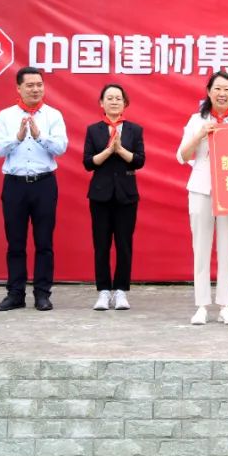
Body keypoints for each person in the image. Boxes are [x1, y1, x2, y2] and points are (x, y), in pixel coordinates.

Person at [177, 70, 228, 325]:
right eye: (217, 89)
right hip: (201, 189)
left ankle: (224, 305)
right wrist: (200, 134)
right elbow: (183, 155)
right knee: (201, 248)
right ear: (209, 92)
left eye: (227, 89)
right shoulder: (197, 119)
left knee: (227, 248)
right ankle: (201, 305)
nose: (222, 93)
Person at [0, 67, 68, 312]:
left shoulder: (53, 115)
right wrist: (17, 137)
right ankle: (15, 294)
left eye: (39, 85)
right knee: (15, 242)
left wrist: (39, 136)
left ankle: (42, 294)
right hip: (15, 185)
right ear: (19, 88)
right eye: (30, 85)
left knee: (44, 242)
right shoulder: (5, 115)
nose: (36, 89)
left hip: (44, 183)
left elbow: (61, 147)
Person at [83, 84, 145, 311]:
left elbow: (139, 160)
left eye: (118, 98)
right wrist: (109, 150)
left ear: (124, 103)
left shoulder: (134, 130)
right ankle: (103, 291)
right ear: (102, 103)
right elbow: (88, 163)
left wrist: (120, 150)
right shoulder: (94, 130)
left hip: (126, 195)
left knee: (124, 244)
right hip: (100, 195)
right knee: (101, 244)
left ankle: (120, 291)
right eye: (109, 98)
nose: (114, 102)